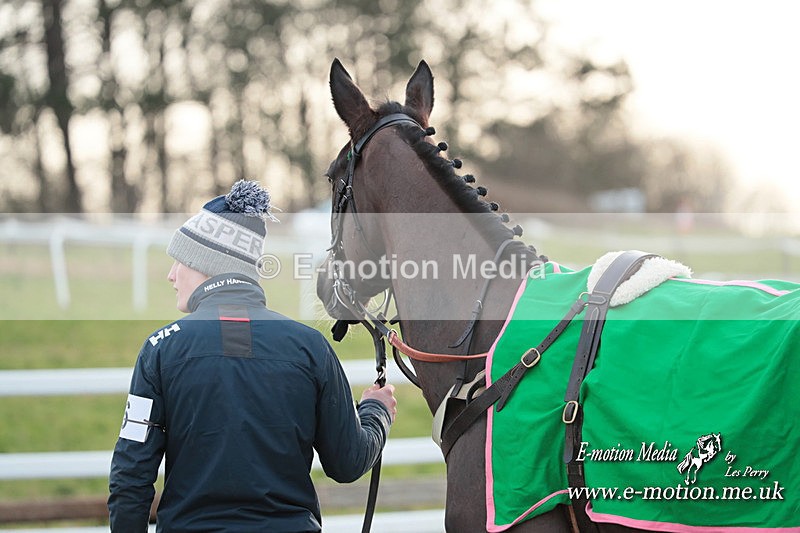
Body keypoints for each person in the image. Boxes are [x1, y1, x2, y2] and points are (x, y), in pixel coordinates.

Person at [108, 180, 396, 532]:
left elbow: (130, 476)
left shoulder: (161, 348)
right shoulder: (310, 347)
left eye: (178, 262)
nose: (171, 275)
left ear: (204, 262)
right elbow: (347, 463)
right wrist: (376, 411)